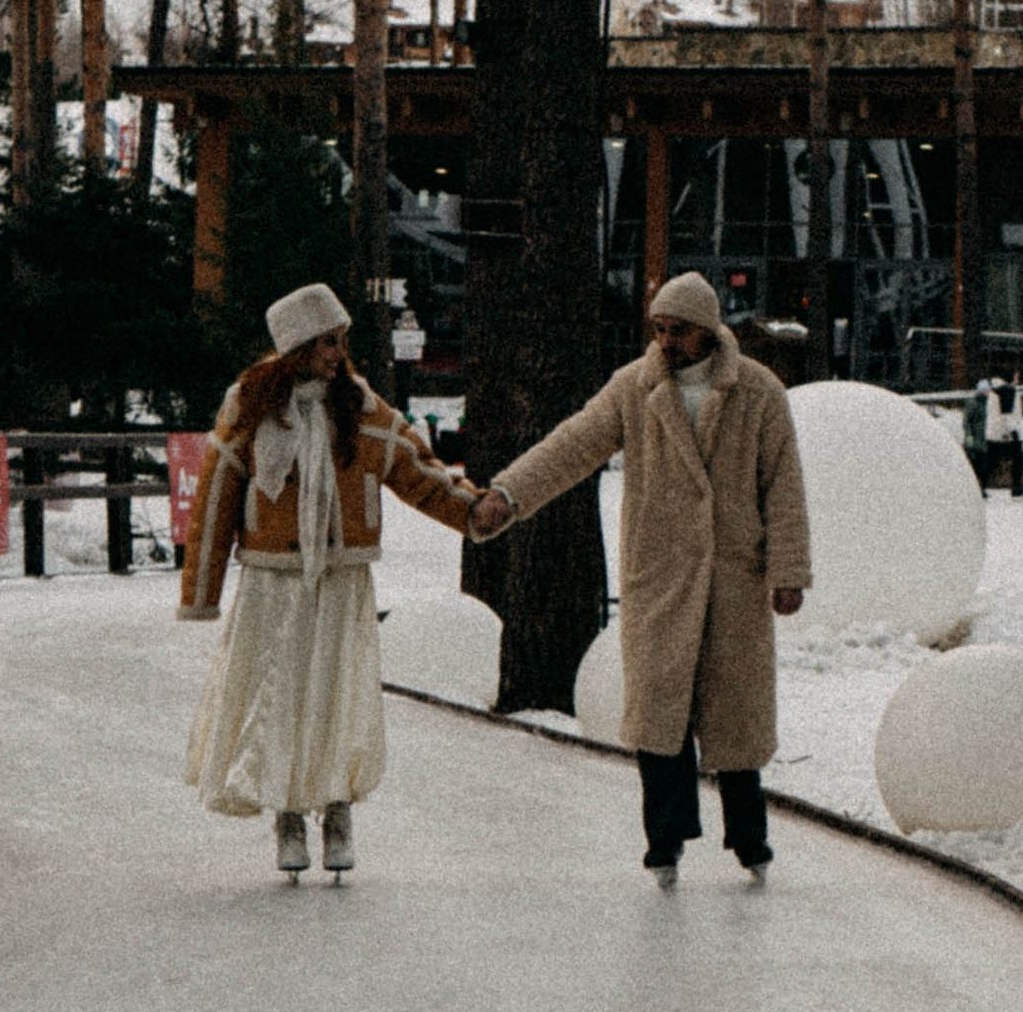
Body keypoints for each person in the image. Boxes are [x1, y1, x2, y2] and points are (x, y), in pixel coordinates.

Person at [470, 270, 811, 889]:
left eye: (677, 330)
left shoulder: (758, 392)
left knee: (735, 717)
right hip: (661, 576)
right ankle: (665, 839)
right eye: (658, 329)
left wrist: (788, 571)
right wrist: (509, 493)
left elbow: (783, 486)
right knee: (661, 714)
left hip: (735, 577)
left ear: (707, 331)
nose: (665, 341)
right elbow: (574, 443)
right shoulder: (636, 387)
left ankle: (750, 838)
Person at [180, 280, 479, 883]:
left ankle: (337, 810)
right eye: (325, 342)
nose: (337, 353)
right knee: (279, 694)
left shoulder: (362, 409)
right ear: (295, 346)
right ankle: (288, 813)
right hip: (274, 577)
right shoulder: (251, 405)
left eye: (340, 340)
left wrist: (472, 510)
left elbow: (418, 469)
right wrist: (201, 591)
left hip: (342, 578)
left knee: (337, 693)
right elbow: (215, 497)